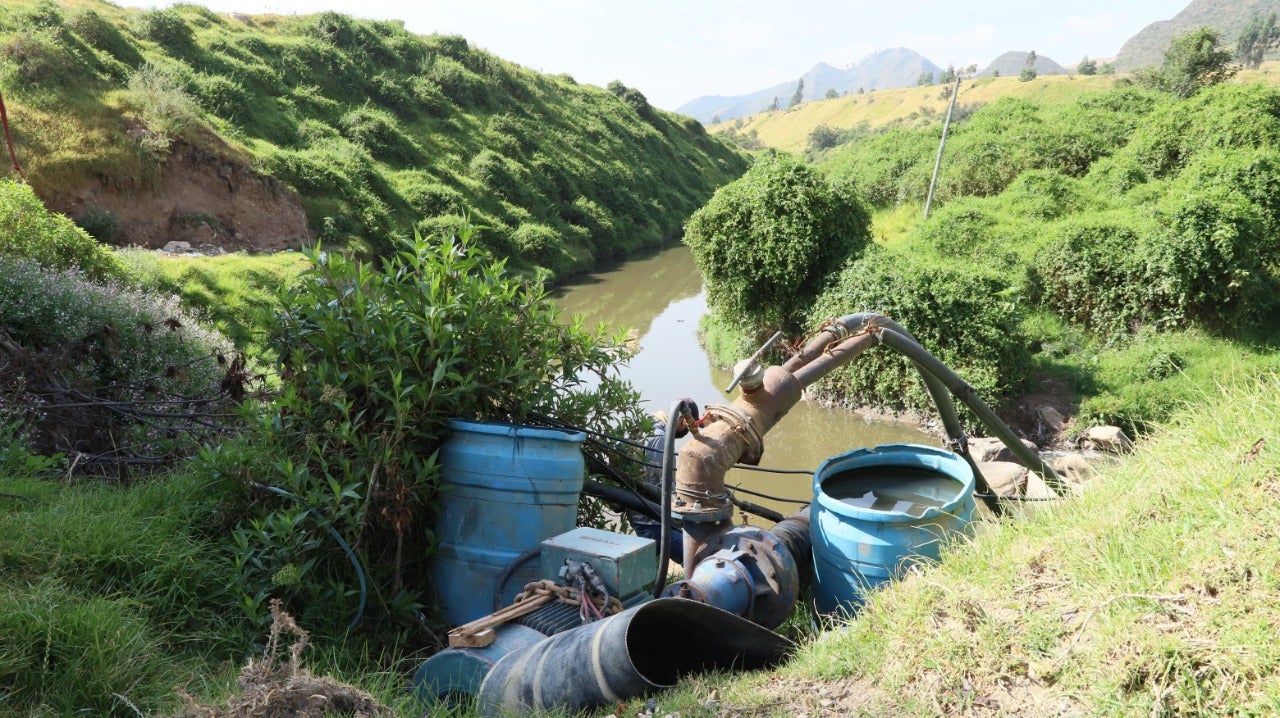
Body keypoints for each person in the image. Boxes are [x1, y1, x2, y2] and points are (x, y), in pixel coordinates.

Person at [626, 400, 698, 564]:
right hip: (652, 521)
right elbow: (659, 485)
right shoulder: (661, 440)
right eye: (687, 428)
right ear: (681, 421)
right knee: (695, 559)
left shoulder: (646, 429)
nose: (686, 432)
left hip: (640, 515)